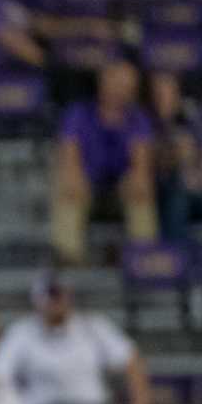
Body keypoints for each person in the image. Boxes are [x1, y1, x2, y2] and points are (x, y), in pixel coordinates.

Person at [0, 274, 151, 404]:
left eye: (58, 295)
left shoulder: (93, 326)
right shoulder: (21, 332)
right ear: (36, 301)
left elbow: (130, 359)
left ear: (69, 297)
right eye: (49, 297)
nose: (54, 302)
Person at [52, 58, 156, 261]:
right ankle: (69, 257)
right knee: (67, 185)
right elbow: (69, 154)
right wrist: (74, 176)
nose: (122, 91)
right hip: (87, 184)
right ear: (103, 82)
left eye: (128, 86)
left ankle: (144, 256)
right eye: (118, 83)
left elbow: (141, 163)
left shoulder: (138, 119)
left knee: (141, 188)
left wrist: (139, 179)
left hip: (120, 188)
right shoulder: (78, 113)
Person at [146, 70, 202, 243]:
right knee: (178, 202)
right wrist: (173, 156)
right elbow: (151, 164)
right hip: (166, 187)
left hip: (197, 183)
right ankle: (175, 259)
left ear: (177, 94)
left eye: (168, 92)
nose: (163, 97)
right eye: (158, 93)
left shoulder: (191, 118)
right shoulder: (146, 120)